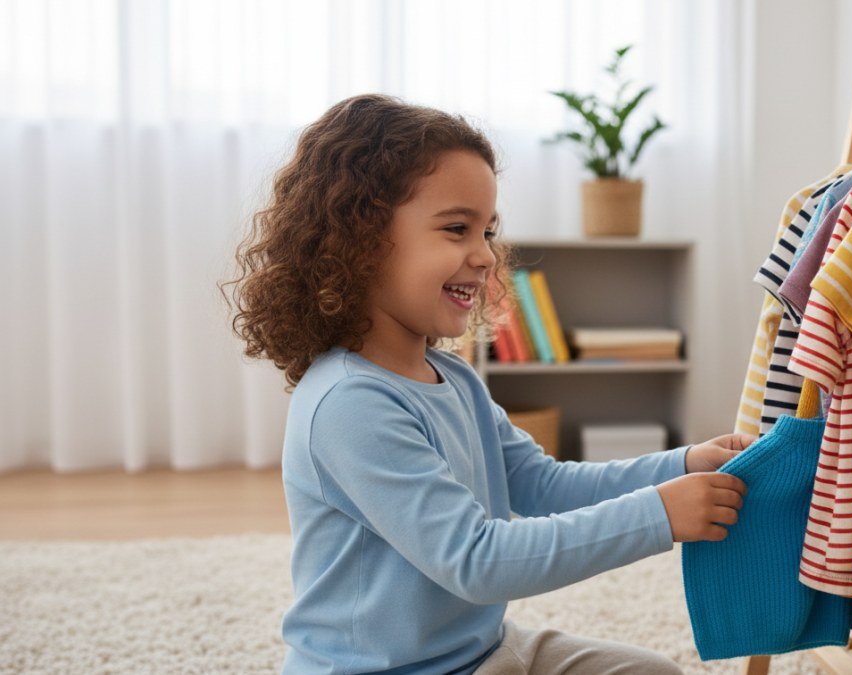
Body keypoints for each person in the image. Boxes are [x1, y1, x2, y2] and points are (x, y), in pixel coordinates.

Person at [225, 93, 751, 674]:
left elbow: (543, 483)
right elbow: (478, 561)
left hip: (482, 651)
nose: (485, 256)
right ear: (360, 240)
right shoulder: (348, 404)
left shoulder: (454, 377)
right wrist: (659, 515)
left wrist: (682, 465)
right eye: (457, 229)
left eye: (487, 231)